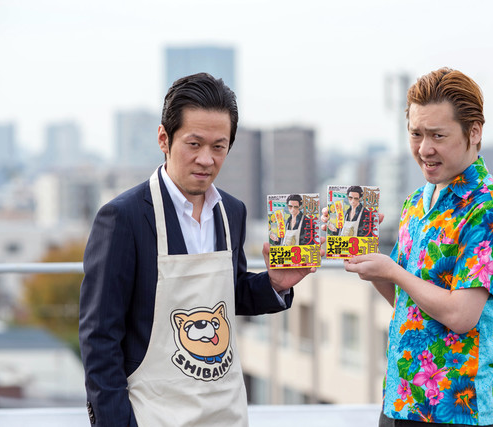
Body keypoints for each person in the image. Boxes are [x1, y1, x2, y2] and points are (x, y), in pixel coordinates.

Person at [79, 73, 320, 427]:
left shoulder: (232, 211)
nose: (206, 159)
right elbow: (99, 338)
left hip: (224, 410)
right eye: (194, 144)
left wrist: (275, 284)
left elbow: (227, 294)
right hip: (153, 412)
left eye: (218, 147)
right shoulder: (123, 217)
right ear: (164, 138)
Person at [326, 68, 493, 426]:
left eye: (438, 135)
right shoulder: (417, 201)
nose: (424, 149)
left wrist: (393, 271)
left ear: (474, 132)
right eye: (416, 134)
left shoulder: (492, 208)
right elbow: (407, 302)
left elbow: (461, 316)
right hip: (400, 401)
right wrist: (364, 255)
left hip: (459, 410)